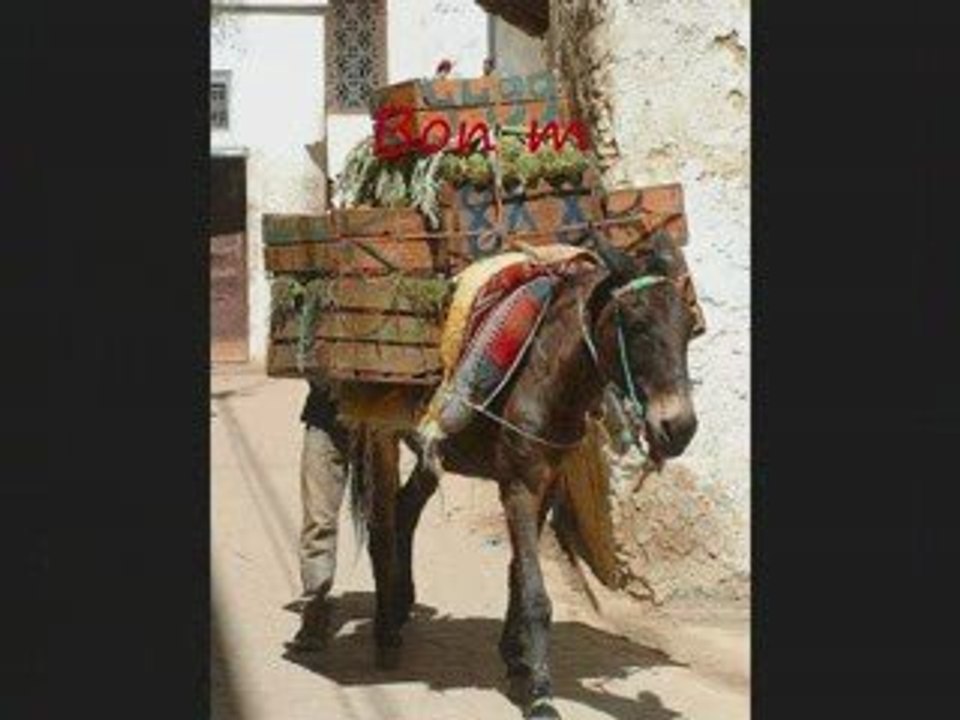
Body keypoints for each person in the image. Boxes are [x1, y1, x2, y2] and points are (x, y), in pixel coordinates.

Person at [287, 380, 351, 651]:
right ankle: (315, 606)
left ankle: (390, 604)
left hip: (384, 418)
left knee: (384, 520)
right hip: (326, 418)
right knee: (318, 519)